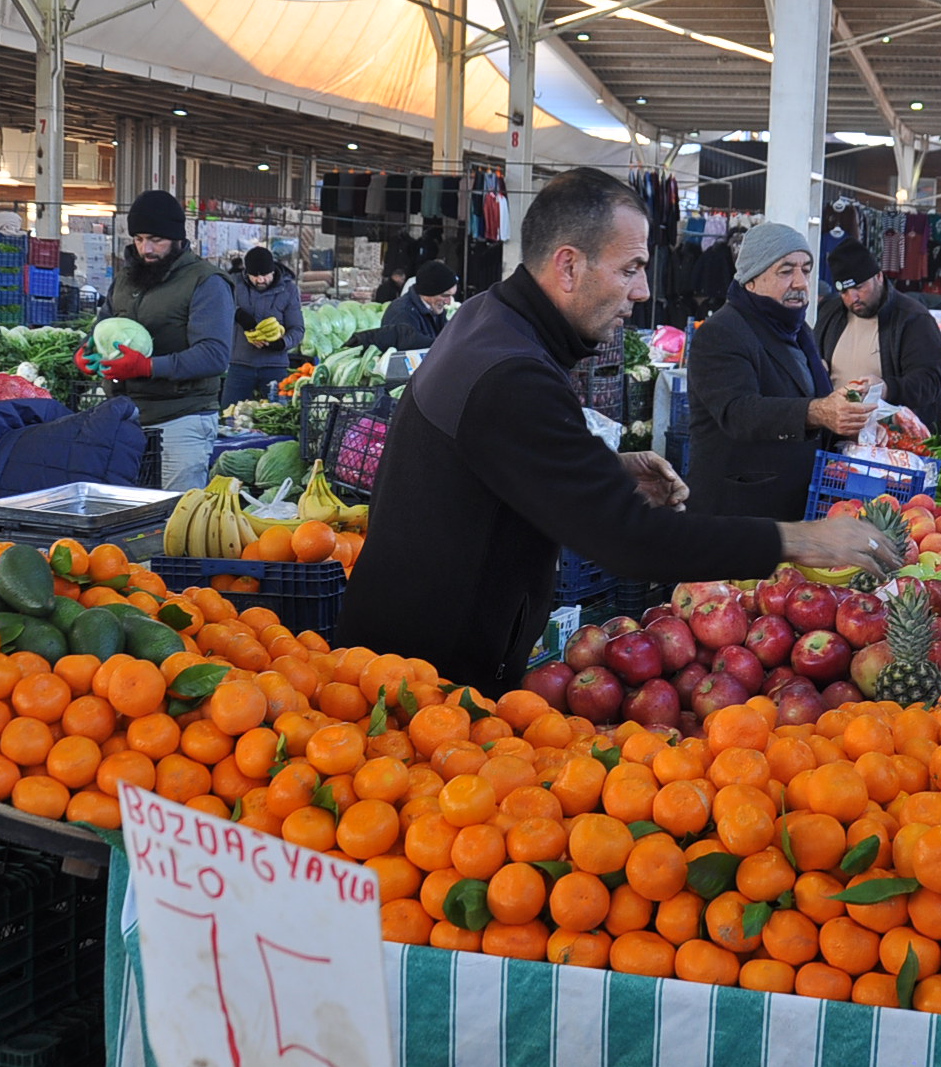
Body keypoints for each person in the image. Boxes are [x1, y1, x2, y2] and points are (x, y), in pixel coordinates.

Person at [336, 168, 900, 692]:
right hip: (421, 679)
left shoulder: (490, 320)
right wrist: (801, 540)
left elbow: (495, 462)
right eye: (630, 269)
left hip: (407, 649)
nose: (643, 290)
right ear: (568, 266)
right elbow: (630, 539)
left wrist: (602, 470)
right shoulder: (511, 373)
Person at [685, 223, 874, 519]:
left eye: (806, 270)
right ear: (751, 280)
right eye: (786, 271)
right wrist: (818, 411)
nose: (800, 282)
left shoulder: (798, 330)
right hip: (740, 512)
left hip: (794, 503)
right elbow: (738, 411)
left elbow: (805, 396)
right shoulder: (721, 332)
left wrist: (848, 414)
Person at [103, 189, 233, 494]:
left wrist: (147, 367)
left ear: (176, 238)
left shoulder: (206, 281)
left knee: (176, 513)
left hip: (181, 419)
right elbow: (103, 325)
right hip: (126, 417)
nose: (145, 249)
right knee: (127, 512)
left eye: (155, 239)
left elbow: (214, 355)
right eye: (138, 239)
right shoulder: (126, 279)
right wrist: (87, 352)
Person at [814, 238, 941, 433]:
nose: (852, 298)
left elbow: (929, 383)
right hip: (837, 435)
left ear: (878, 277)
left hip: (897, 438)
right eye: (844, 291)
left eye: (859, 287)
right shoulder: (830, 313)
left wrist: (887, 389)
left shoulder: (913, 318)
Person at [224, 245, 305, 405]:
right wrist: (237, 313)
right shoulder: (234, 284)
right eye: (254, 276)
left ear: (273, 271)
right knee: (229, 414)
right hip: (240, 364)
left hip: (274, 366)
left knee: (279, 413)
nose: (260, 280)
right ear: (246, 272)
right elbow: (217, 307)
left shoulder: (288, 290)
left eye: (264, 275)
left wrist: (282, 343)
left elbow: (297, 329)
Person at [350, 258, 455, 352]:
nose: (448, 302)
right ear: (428, 292)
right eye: (445, 295)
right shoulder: (402, 313)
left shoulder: (435, 310)